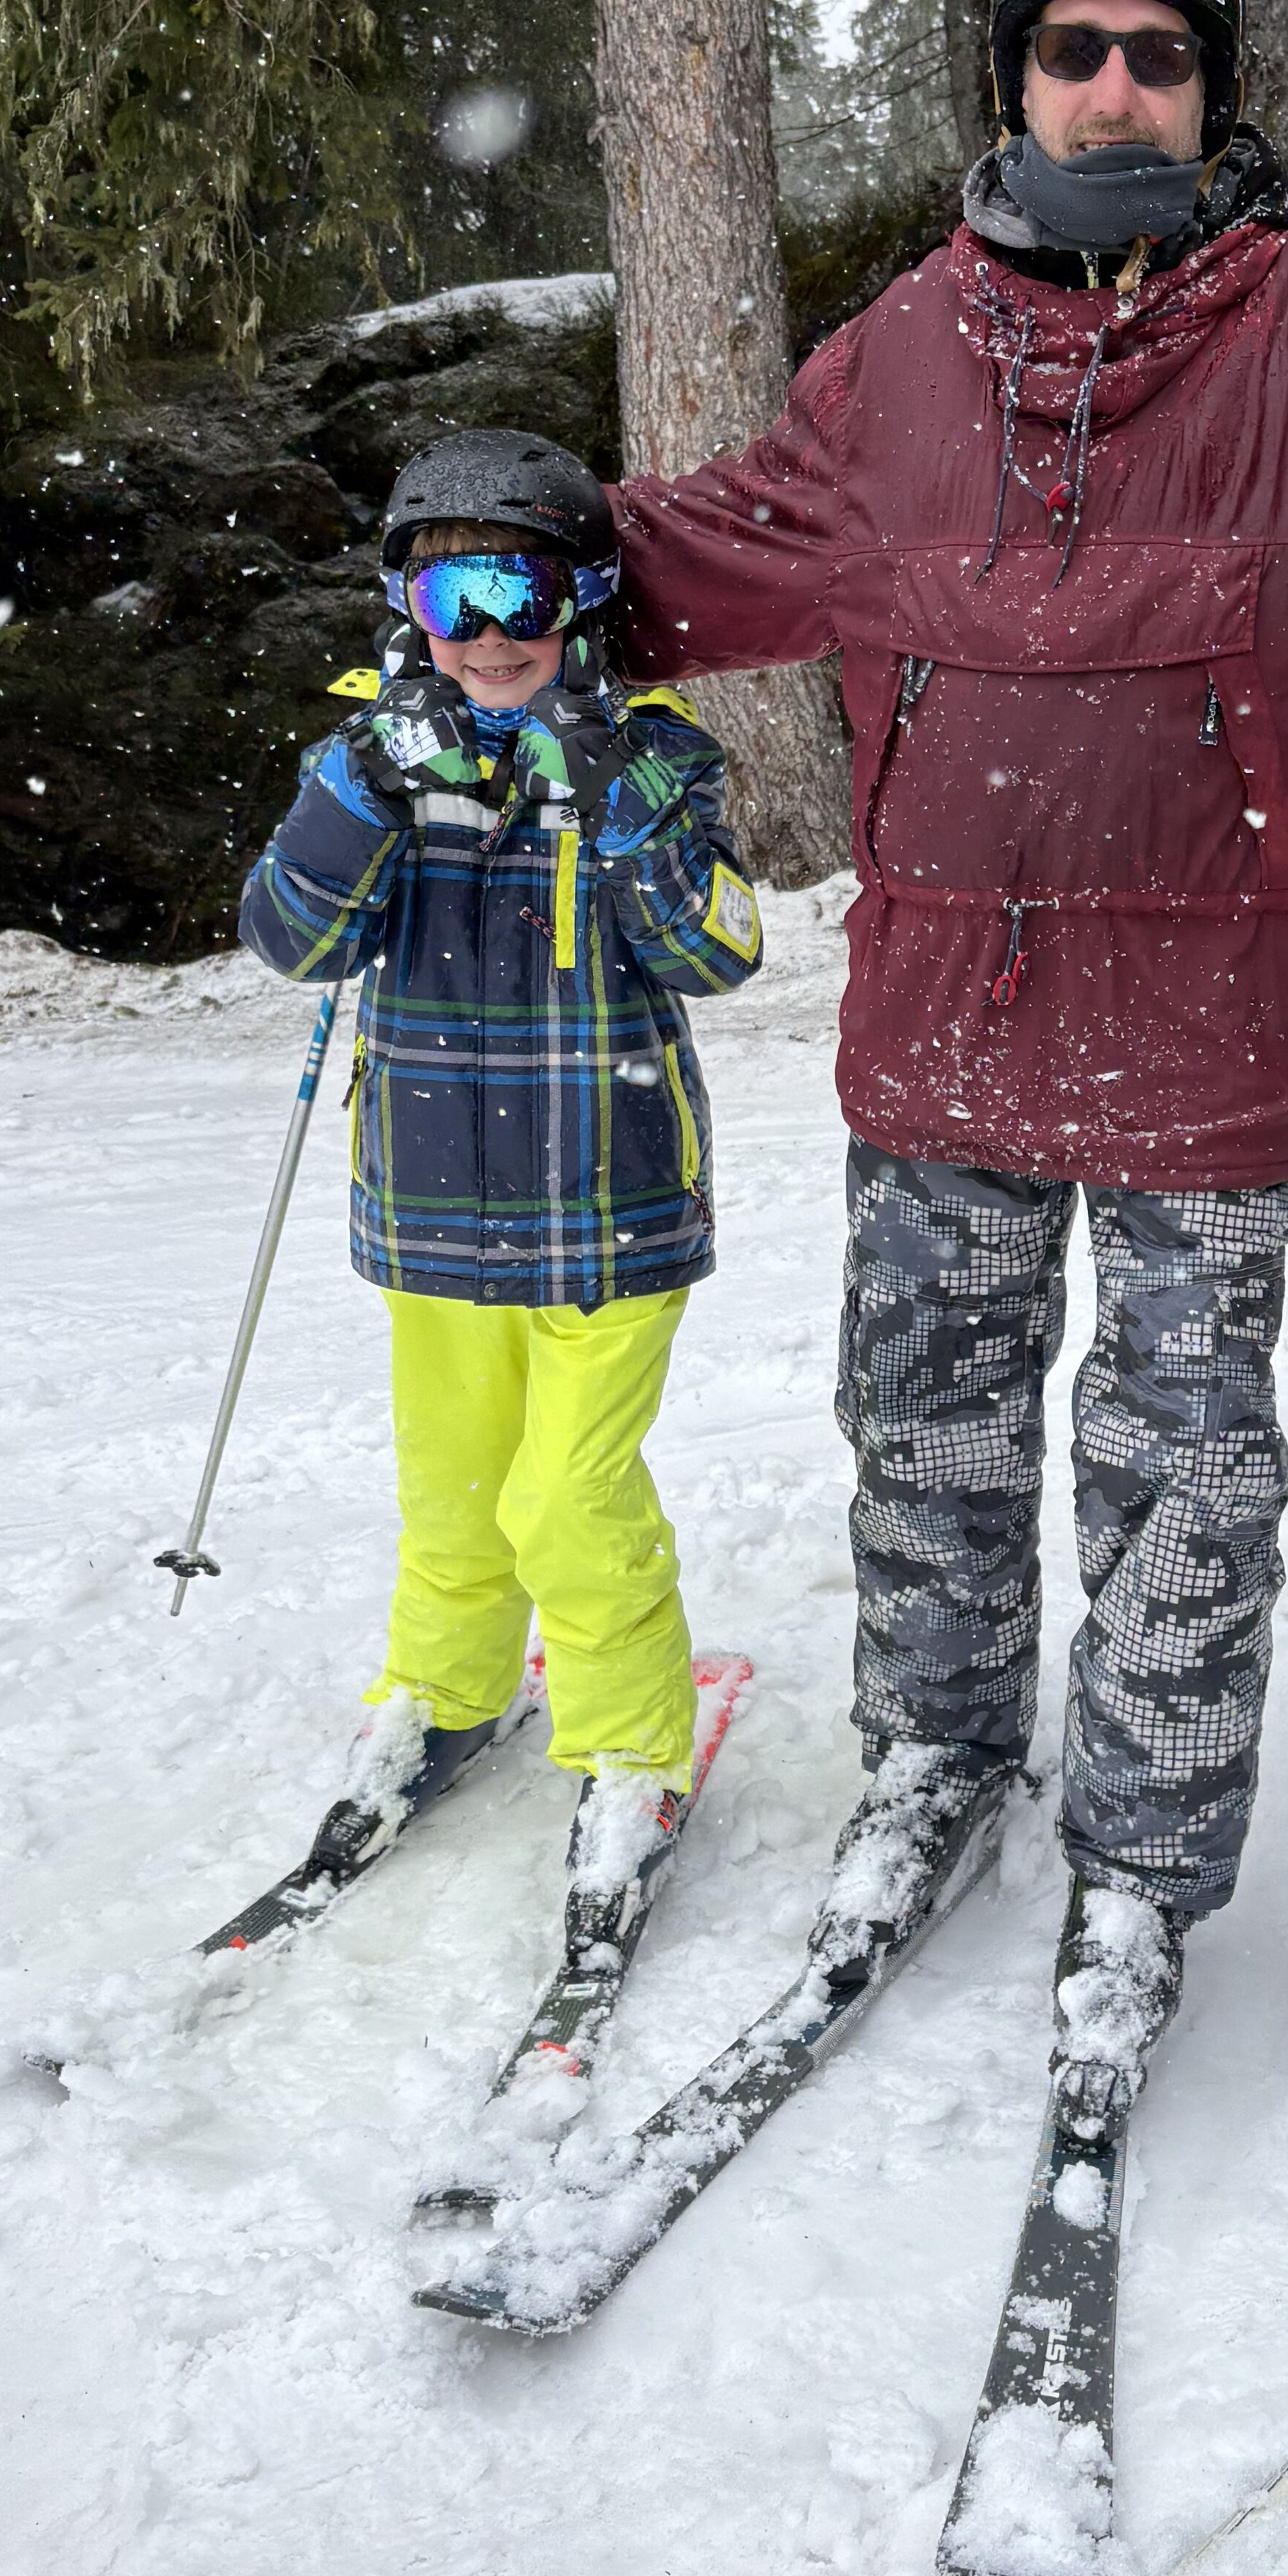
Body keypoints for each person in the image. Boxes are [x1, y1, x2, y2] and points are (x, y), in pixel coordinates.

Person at [603, 0, 1288, 2097]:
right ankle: (929, 1763)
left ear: (1214, 93)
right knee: (928, 1433)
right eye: (1072, 50)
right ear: (1014, 80)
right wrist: (495, 556)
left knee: (1183, 1475)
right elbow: (708, 551)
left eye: (1156, 56)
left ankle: (1148, 1866)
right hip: (938, 1032)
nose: (1111, 87)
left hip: (1211, 1045)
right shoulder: (892, 360)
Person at [239, 427, 764, 1952]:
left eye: (519, 595)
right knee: (456, 1491)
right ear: (405, 607)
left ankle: (629, 1752)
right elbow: (291, 939)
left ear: (581, 598)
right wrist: (362, 792)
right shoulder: (369, 756)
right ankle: (449, 1697)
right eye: (449, 598)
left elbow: (721, 951)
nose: (488, 641)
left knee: (568, 1496)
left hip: (610, 1206)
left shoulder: (654, 752)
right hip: (430, 1206)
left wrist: (619, 803)